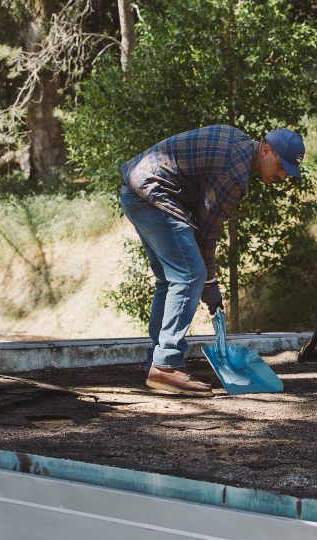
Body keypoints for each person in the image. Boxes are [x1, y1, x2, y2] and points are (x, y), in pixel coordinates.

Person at [120, 125, 305, 395]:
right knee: (189, 274)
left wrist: (209, 285)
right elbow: (206, 234)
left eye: (288, 170)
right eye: (281, 165)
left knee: (171, 279)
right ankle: (167, 365)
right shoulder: (235, 174)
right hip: (153, 195)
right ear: (266, 149)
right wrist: (210, 285)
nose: (283, 175)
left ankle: (158, 360)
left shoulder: (237, 141)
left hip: (137, 191)